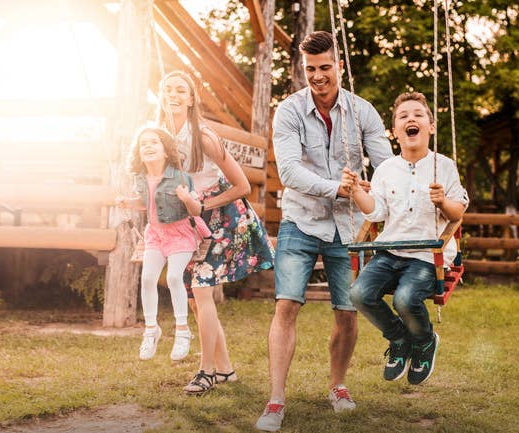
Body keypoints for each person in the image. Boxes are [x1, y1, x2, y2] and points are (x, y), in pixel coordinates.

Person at [255, 31, 394, 431]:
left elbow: (385, 167)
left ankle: (338, 386)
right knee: (286, 304)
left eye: (325, 67)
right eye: (311, 69)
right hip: (300, 219)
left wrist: (373, 185)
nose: (317, 76)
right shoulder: (289, 110)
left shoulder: (363, 111)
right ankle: (277, 399)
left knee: (347, 310)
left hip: (348, 225)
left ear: (340, 66)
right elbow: (289, 171)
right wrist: (337, 187)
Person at [156, 70, 275, 395]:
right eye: (168, 89)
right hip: (190, 223)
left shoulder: (204, 137)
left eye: (181, 90)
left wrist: (205, 203)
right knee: (195, 299)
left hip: (222, 218)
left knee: (202, 291)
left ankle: (205, 371)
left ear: (191, 99)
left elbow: (241, 186)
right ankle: (225, 370)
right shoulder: (160, 137)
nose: (174, 94)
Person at [347, 91, 468, 386]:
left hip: (427, 256)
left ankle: (425, 342)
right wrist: (356, 192)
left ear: (430, 126)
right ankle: (399, 338)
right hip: (391, 251)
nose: (410, 119)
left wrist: (442, 202)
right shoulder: (386, 169)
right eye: (403, 116)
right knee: (359, 294)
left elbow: (458, 211)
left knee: (405, 299)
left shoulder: (444, 165)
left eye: (417, 115)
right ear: (395, 131)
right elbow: (376, 211)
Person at [118, 126, 210, 362]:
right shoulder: (140, 178)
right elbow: (146, 201)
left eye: (154, 142)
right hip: (156, 235)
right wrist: (128, 203)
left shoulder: (180, 176)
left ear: (166, 151)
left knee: (173, 277)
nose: (148, 146)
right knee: (147, 278)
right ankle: (151, 329)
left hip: (180, 233)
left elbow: (194, 209)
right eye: (143, 143)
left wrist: (186, 197)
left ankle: (182, 330)